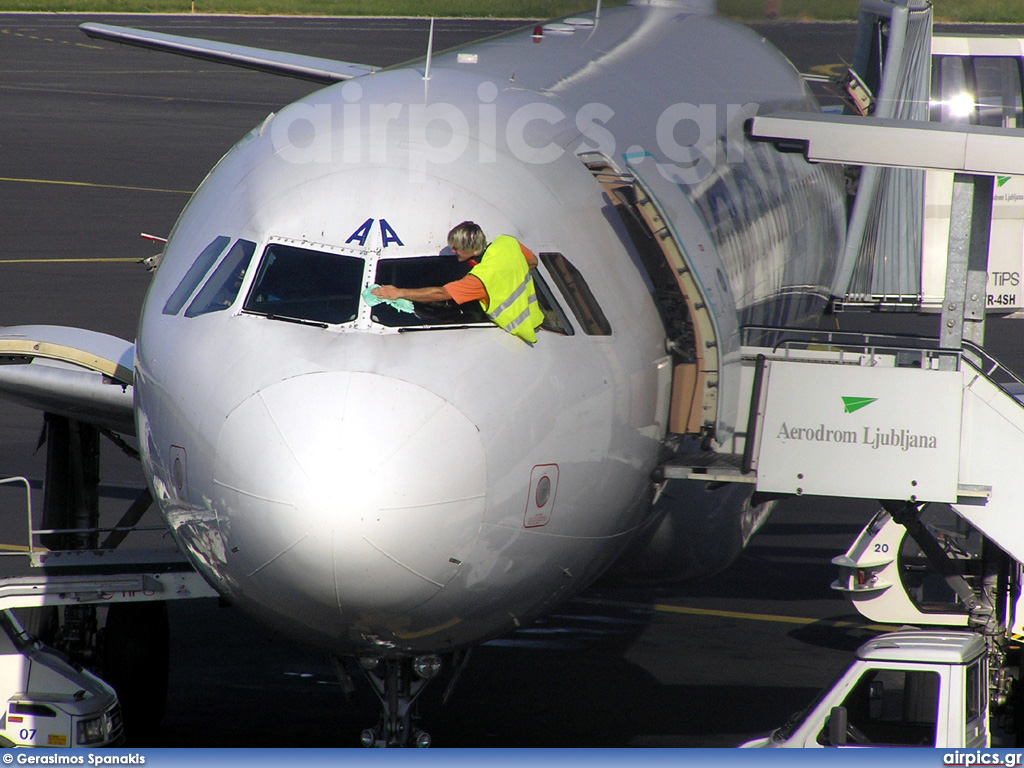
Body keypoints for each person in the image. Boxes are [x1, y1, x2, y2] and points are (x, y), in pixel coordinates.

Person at [372, 221, 545, 344]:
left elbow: (441, 293)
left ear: (472, 248)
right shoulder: (507, 242)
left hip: (515, 332)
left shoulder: (480, 278)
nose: (453, 251)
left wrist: (399, 292)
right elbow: (532, 262)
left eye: (456, 248)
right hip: (535, 318)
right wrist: (508, 276)